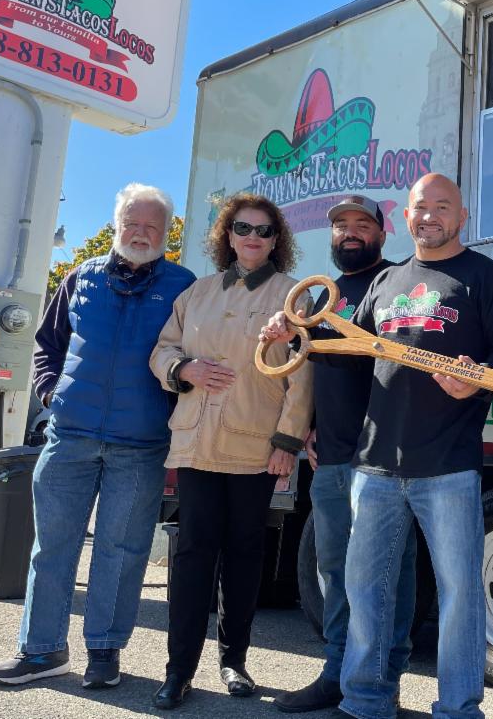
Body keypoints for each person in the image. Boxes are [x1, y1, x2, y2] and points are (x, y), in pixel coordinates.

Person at [263, 173, 493, 719]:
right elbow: (350, 351)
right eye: (420, 207)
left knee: (459, 599)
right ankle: (365, 700)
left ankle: (458, 709)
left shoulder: (486, 278)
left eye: (442, 206)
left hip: (449, 466)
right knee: (367, 592)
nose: (430, 216)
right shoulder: (387, 281)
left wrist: (478, 378)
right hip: (375, 467)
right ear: (406, 218)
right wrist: (297, 336)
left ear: (462, 216)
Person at [0, 183, 195, 689]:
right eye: (132, 223)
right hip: (69, 436)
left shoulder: (184, 286)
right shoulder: (81, 277)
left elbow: (189, 358)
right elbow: (47, 344)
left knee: (121, 551)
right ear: (116, 225)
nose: (140, 234)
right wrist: (51, 392)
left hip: (140, 443)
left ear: (166, 232)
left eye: (152, 226)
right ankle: (41, 651)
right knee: (51, 547)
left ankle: (104, 651)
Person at [148, 193, 313, 709]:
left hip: (254, 445)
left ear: (276, 239)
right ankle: (178, 671)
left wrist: (287, 442)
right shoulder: (196, 293)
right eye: (243, 228)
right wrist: (183, 369)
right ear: (228, 234)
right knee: (193, 555)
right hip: (196, 443)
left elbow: (304, 373)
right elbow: (162, 349)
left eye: (264, 230)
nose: (252, 237)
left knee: (244, 555)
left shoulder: (293, 296)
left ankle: (234, 661)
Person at [274, 195, 417, 714]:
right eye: (341, 225)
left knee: (388, 576)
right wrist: (310, 425)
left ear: (382, 232)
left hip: (385, 461)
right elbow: (312, 369)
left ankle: (383, 680)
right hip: (331, 460)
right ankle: (337, 672)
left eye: (361, 224)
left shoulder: (399, 284)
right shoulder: (322, 298)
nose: (350, 232)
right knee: (334, 572)